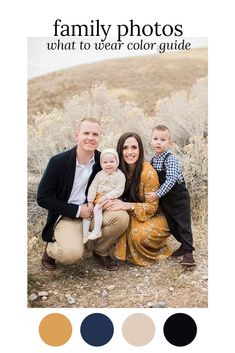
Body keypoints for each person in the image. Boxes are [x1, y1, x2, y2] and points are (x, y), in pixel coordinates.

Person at [37, 117, 129, 271]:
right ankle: (50, 251)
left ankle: (100, 251)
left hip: (94, 211)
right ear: (77, 136)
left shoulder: (103, 161)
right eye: (86, 133)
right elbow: (43, 198)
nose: (90, 138)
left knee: (121, 218)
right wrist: (79, 211)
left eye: (95, 134)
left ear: (100, 138)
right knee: (70, 255)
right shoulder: (58, 162)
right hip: (67, 215)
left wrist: (113, 200)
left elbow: (117, 181)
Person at [103, 132, 171, 267]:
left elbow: (152, 207)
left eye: (134, 147)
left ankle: (153, 248)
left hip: (153, 216)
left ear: (140, 149)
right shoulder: (115, 170)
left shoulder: (148, 173)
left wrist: (127, 205)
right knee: (119, 220)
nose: (129, 152)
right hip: (131, 213)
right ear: (119, 151)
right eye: (125, 148)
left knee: (139, 235)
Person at [146, 124, 196, 266]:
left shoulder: (170, 158)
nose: (158, 142)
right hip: (166, 200)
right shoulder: (153, 160)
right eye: (155, 138)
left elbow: (171, 179)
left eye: (162, 139)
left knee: (183, 224)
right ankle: (183, 245)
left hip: (179, 198)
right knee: (172, 225)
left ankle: (188, 254)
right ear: (151, 141)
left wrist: (157, 194)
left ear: (169, 143)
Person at [83, 148, 126, 244]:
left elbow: (119, 190)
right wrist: (90, 201)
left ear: (117, 162)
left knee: (97, 208)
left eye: (112, 161)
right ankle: (85, 234)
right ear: (101, 164)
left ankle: (97, 231)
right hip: (97, 197)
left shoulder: (120, 175)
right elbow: (93, 187)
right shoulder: (99, 175)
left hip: (110, 197)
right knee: (87, 212)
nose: (108, 164)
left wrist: (107, 196)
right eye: (105, 162)